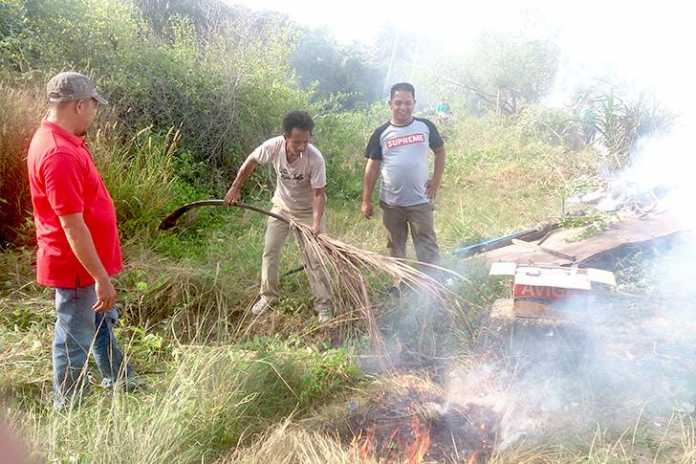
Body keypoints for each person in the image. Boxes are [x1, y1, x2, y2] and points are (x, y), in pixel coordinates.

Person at [26, 71, 134, 409]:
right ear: (79, 105)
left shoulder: (63, 141)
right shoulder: (58, 154)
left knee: (100, 321)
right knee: (73, 337)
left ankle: (119, 378)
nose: (94, 113)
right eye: (92, 106)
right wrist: (101, 278)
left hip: (88, 263)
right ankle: (68, 406)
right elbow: (72, 226)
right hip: (77, 267)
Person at [224, 111, 333, 322]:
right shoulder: (273, 146)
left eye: (306, 141)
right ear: (285, 137)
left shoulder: (315, 158)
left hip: (308, 212)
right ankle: (268, 297)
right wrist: (235, 188)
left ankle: (323, 304)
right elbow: (251, 161)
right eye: (297, 142)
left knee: (315, 259)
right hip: (281, 207)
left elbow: (319, 194)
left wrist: (317, 225)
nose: (302, 146)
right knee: (270, 252)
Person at [361, 82, 446, 272]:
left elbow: (440, 151)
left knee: (427, 247)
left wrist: (436, 181)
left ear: (414, 103)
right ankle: (401, 284)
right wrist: (366, 200)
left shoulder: (425, 127)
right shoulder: (381, 133)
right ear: (390, 104)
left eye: (408, 103)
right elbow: (372, 168)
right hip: (392, 204)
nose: (403, 107)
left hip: (420, 201)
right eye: (398, 103)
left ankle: (432, 288)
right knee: (396, 248)